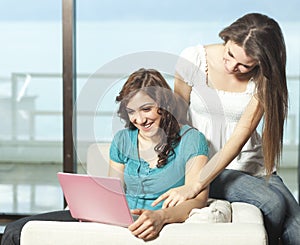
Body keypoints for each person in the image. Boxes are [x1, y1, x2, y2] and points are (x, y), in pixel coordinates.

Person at [2, 68, 209, 244]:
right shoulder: (123, 139)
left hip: (156, 221)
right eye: (132, 111)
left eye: (146, 109)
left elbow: (198, 199)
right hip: (116, 222)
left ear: (165, 106)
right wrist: (93, 211)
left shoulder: (192, 140)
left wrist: (161, 216)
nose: (139, 119)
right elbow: (113, 192)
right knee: (15, 231)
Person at [151, 13, 300, 245]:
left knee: (297, 226)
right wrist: (194, 181)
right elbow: (177, 119)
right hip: (205, 165)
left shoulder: (265, 79)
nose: (232, 66)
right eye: (229, 54)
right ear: (226, 38)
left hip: (249, 165)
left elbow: (241, 133)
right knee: (273, 203)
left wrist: (197, 185)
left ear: (261, 63)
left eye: (245, 65)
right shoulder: (194, 59)